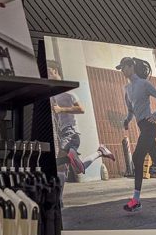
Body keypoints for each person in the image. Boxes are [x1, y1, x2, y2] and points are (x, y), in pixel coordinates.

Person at [47, 61, 114, 201]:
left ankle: (57, 200)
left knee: (60, 165)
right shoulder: (53, 94)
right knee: (78, 169)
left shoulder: (68, 92)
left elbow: (81, 109)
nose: (47, 75)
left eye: (48, 72)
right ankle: (99, 152)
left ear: (55, 71)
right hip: (63, 134)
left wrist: (61, 109)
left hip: (71, 133)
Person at [117, 57, 156, 212]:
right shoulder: (127, 89)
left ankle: (136, 200)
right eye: (121, 68)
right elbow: (131, 111)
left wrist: (155, 115)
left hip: (149, 127)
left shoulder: (144, 84)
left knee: (137, 157)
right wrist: (127, 120)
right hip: (142, 127)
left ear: (131, 66)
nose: (122, 71)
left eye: (124, 67)